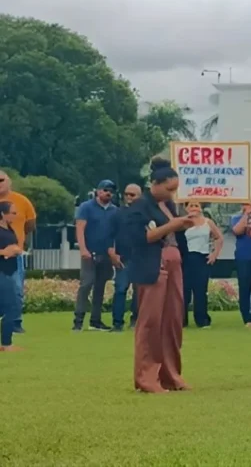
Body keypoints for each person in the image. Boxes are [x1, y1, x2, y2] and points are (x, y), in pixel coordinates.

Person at [124, 157, 193, 393]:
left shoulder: (168, 205)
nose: (172, 194)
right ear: (155, 183)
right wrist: (175, 225)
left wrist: (183, 223)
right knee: (151, 322)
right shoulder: (140, 207)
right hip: (153, 263)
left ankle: (170, 374)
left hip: (174, 261)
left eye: (175, 189)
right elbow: (142, 238)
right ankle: (146, 377)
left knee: (172, 320)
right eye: (169, 188)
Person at [73, 180, 119, 332]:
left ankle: (95, 320)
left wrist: (113, 252)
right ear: (98, 191)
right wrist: (83, 249)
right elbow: (80, 229)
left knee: (100, 287)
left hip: (105, 254)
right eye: (105, 190)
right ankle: (78, 320)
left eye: (111, 191)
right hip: (90, 253)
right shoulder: (86, 207)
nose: (108, 193)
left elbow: (115, 234)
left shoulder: (114, 211)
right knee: (86, 284)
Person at [0, 171, 35, 335]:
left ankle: (15, 321)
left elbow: (30, 223)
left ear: (9, 182)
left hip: (16, 254)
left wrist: (21, 241)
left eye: (1, 180)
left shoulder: (21, 201)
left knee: (16, 289)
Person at [182, 201, 223, 329]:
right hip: (186, 258)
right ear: (186, 208)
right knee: (184, 290)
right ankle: (182, 320)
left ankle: (202, 319)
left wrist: (214, 254)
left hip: (202, 257)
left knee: (200, 290)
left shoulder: (207, 222)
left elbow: (219, 238)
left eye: (196, 205)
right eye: (191, 206)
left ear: (200, 208)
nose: (194, 208)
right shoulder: (182, 222)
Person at [108, 184, 142, 332]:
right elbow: (110, 235)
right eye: (126, 194)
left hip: (141, 257)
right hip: (123, 257)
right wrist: (112, 254)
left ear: (140, 196)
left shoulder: (145, 213)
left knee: (139, 291)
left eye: (132, 195)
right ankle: (117, 323)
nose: (129, 197)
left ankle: (136, 319)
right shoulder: (117, 213)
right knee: (120, 289)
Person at [230, 202, 251, 327]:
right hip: (243, 256)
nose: (248, 206)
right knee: (244, 287)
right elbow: (237, 230)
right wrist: (247, 214)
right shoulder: (236, 218)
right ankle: (246, 318)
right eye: (245, 204)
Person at [0, 201, 24, 352]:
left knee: (5, 307)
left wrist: (16, 249)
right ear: (3, 214)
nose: (15, 216)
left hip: (10, 271)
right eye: (13, 213)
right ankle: (7, 344)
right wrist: (4, 252)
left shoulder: (9, 229)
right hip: (2, 272)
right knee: (12, 306)